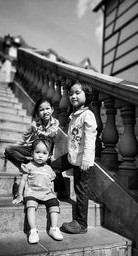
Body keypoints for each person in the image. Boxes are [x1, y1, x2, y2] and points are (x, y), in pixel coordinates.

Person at [51, 80, 97, 234]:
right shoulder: (74, 115)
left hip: (82, 161)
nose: (73, 96)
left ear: (87, 95)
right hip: (72, 157)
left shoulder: (88, 115)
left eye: (77, 92)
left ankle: (81, 224)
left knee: (81, 191)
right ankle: (62, 190)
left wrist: (85, 160)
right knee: (53, 167)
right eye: (70, 93)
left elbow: (90, 139)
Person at [12, 137, 63, 244]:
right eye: (37, 152)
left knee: (54, 204)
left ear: (49, 156)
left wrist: (53, 195)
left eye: (44, 153)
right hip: (32, 192)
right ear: (32, 153)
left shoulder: (49, 169)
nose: (40, 155)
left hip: (47, 193)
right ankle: (33, 230)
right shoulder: (29, 166)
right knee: (30, 205)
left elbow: (51, 183)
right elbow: (23, 181)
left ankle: (53, 228)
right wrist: (20, 195)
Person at [4, 97, 59, 171]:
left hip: (46, 151)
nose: (45, 112)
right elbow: (24, 137)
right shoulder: (34, 124)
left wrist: (43, 134)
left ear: (52, 110)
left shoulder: (55, 122)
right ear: (38, 113)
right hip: (32, 149)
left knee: (54, 168)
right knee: (8, 149)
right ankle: (26, 162)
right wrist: (16, 146)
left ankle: (41, 163)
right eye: (41, 110)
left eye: (47, 108)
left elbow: (52, 133)